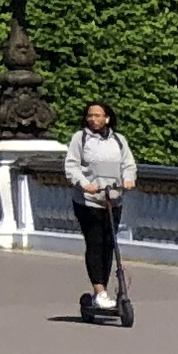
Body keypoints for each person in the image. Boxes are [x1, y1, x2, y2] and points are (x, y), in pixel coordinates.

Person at [66, 104, 139, 326]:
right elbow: (71, 166)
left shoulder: (118, 140)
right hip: (88, 200)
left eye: (97, 116)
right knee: (95, 242)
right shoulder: (81, 139)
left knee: (110, 244)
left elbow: (128, 164)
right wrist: (84, 183)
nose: (93, 119)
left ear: (107, 118)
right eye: (90, 116)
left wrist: (129, 179)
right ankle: (99, 291)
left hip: (112, 198)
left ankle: (106, 290)